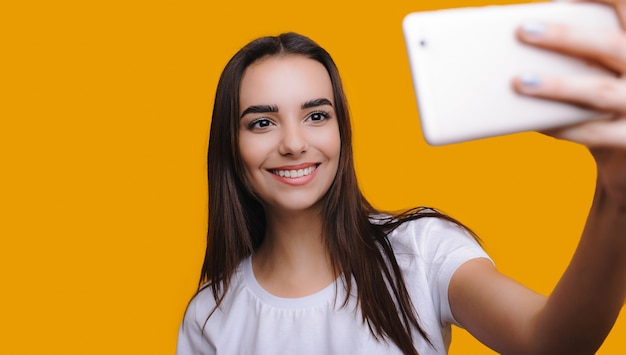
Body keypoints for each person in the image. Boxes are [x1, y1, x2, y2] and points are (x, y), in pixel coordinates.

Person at [177, 0, 626, 353]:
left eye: (316, 115)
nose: (294, 143)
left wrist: (616, 192)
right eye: (262, 122)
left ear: (341, 132)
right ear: (230, 146)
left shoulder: (421, 252)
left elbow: (547, 343)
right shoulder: (210, 317)